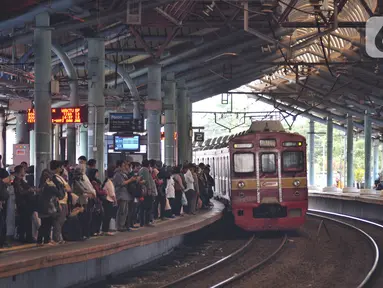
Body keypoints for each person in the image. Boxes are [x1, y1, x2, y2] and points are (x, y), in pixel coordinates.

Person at [36, 169, 64, 246]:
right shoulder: (50, 186)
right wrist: (58, 184)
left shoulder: (41, 185)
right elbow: (61, 195)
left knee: (44, 224)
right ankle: (46, 240)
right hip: (49, 208)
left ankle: (41, 241)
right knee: (47, 224)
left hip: (42, 207)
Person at [72, 165, 96, 239]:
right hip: (79, 201)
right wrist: (90, 192)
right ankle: (81, 234)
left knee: (85, 218)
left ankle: (84, 233)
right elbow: (82, 190)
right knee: (81, 218)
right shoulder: (75, 181)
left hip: (84, 200)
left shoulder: (80, 180)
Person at [13, 165, 35, 243]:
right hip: (22, 204)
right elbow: (20, 192)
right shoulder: (17, 181)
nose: (24, 172)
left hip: (24, 203)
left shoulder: (21, 180)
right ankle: (26, 237)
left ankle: (24, 237)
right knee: (26, 220)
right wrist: (29, 190)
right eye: (23, 170)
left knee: (25, 220)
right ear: (19, 172)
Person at [50, 160, 71, 244]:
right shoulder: (55, 178)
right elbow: (64, 188)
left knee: (62, 220)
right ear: (58, 168)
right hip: (60, 201)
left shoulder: (60, 177)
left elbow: (68, 188)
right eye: (61, 167)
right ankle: (57, 238)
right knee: (58, 220)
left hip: (64, 201)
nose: (62, 168)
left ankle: (58, 237)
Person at [113, 160, 136, 232]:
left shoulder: (123, 173)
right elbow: (121, 183)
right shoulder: (117, 174)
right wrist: (130, 180)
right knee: (122, 210)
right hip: (121, 194)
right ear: (119, 166)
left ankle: (122, 225)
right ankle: (119, 226)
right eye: (123, 166)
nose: (124, 167)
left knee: (125, 211)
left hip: (125, 194)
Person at [139, 160, 156, 227]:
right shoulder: (145, 170)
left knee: (142, 207)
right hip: (147, 191)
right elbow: (147, 180)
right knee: (148, 207)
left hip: (144, 191)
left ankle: (142, 222)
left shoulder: (141, 170)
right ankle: (146, 222)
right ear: (148, 165)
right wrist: (149, 189)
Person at [101, 166, 117, 236]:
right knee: (108, 216)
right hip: (108, 200)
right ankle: (105, 230)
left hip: (107, 200)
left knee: (107, 216)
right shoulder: (109, 182)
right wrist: (115, 200)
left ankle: (105, 230)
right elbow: (112, 193)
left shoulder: (107, 181)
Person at [0, 169, 11, 248]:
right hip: (1, 207)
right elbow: (4, 195)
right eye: (8, 177)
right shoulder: (1, 184)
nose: (9, 179)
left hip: (2, 207)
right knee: (2, 225)